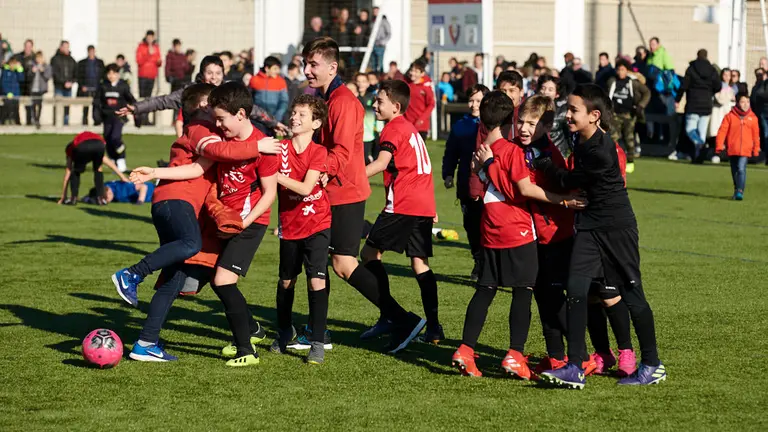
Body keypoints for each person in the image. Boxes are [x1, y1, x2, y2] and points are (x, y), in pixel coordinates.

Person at [128, 82, 279, 366]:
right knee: (208, 276)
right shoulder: (225, 143)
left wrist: (244, 222)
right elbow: (198, 167)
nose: (218, 125)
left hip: (249, 223)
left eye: (221, 119)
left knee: (223, 280)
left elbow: (270, 193)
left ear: (242, 115)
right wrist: (155, 173)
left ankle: (247, 351)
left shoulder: (265, 147)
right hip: (221, 220)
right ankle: (251, 330)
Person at [534, 84, 666, 388]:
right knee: (576, 288)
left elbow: (567, 179)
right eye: (567, 109)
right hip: (591, 227)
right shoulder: (581, 140)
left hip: (616, 228)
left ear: (594, 116)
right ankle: (575, 367)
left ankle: (653, 363)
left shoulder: (601, 151)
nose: (567, 115)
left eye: (573, 110)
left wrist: (542, 162)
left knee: (632, 295)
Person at [302, 37, 424, 350]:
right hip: (335, 191)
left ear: (332, 67)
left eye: (313, 64)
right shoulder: (330, 98)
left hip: (345, 192)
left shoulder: (342, 101)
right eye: (305, 64)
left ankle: (401, 319)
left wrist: (310, 172)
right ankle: (318, 330)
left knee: (341, 263)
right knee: (321, 259)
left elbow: (341, 154)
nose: (306, 70)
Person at [450, 92, 581, 378]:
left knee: (536, 295)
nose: (524, 128)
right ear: (511, 119)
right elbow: (518, 191)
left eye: (531, 123)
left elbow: (557, 181)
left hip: (547, 232)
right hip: (520, 231)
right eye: (521, 121)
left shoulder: (498, 148)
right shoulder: (509, 150)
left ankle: (566, 356)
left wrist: (566, 201)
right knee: (527, 292)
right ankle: (520, 354)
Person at [364, 79, 438, 346]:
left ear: (395, 106)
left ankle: (393, 318)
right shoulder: (410, 128)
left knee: (369, 254)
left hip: (404, 204)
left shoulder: (393, 128)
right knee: (420, 264)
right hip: (422, 204)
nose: (374, 104)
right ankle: (434, 327)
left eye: (379, 101)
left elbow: (382, 162)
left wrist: (350, 178)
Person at [270, 94, 332, 364]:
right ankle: (285, 331)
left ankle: (317, 341)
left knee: (316, 279)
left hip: (317, 221)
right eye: (293, 113)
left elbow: (307, 188)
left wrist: (276, 176)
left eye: (302, 114)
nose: (294, 118)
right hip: (289, 225)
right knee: (286, 281)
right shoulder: (279, 148)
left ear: (316, 123)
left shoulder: (319, 151)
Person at [116, 55, 286, 136]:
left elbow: (251, 109)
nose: (214, 77)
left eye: (218, 73)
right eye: (210, 73)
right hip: (195, 139)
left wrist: (274, 122)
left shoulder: (228, 90)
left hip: (221, 140)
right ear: (202, 74)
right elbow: (163, 101)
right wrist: (137, 108)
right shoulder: (192, 91)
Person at [443, 84, 489, 280]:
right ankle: (478, 262)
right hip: (465, 181)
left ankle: (490, 264)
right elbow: (451, 152)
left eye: (478, 101)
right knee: (470, 225)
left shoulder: (493, 125)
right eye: (471, 100)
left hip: (488, 183)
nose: (473, 104)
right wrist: (447, 173)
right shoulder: (460, 125)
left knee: (487, 224)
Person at [58, 131, 129, 205]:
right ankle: (100, 199)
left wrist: (64, 196)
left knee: (76, 172)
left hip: (82, 146)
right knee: (98, 169)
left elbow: (68, 171)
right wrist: (122, 177)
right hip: (99, 144)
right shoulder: (84, 140)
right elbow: (109, 163)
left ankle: (73, 199)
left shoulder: (71, 148)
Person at [674, 49, 720, 162]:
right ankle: (699, 156)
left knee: (690, 129)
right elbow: (718, 86)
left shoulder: (691, 69)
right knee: (702, 132)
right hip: (707, 104)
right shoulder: (712, 70)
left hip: (693, 103)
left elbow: (683, 86)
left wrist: (678, 99)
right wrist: (710, 92)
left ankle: (699, 146)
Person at [608, 59, 650, 173]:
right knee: (613, 139)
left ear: (627, 71)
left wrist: (641, 106)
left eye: (623, 70)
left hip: (629, 115)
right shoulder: (612, 82)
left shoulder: (633, 83)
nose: (620, 72)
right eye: (619, 69)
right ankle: (612, 162)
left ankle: (630, 160)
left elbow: (646, 92)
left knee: (629, 139)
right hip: (615, 114)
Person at [716, 93, 760, 200]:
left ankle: (740, 191)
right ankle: (736, 188)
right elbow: (722, 131)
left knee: (741, 169)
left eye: (747, 102)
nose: (745, 104)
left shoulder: (753, 118)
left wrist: (756, 149)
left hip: (745, 150)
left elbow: (756, 135)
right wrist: (719, 145)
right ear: (737, 103)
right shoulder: (730, 116)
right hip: (732, 148)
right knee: (734, 170)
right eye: (743, 102)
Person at [93, 64, 136, 173]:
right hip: (107, 117)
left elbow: (131, 99)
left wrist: (136, 112)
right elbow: (97, 102)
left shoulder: (123, 86)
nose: (111, 76)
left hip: (119, 117)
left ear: (118, 74)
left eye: (113, 73)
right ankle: (113, 161)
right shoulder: (103, 86)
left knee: (115, 138)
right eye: (109, 73)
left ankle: (121, 160)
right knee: (107, 139)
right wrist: (96, 116)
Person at [249, 56, 289, 121]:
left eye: (278, 69)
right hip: (257, 119)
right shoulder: (254, 79)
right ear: (267, 68)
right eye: (275, 69)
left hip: (276, 119)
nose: (277, 71)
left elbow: (284, 101)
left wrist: (278, 116)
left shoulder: (281, 81)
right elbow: (249, 99)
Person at [709, 68, 736, 163]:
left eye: (729, 75)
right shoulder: (718, 86)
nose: (727, 77)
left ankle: (725, 154)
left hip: (726, 112)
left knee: (726, 134)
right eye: (725, 75)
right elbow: (718, 98)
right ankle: (716, 153)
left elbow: (733, 101)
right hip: (718, 112)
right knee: (716, 133)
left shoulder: (733, 88)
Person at [538, 74, 569, 156]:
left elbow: (569, 136)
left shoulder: (563, 112)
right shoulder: (532, 110)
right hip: (538, 154)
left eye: (550, 90)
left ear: (557, 94)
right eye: (543, 88)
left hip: (558, 154)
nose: (545, 92)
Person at [136, 30, 162, 125]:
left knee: (149, 98)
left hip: (151, 76)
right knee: (142, 98)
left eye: (152, 37)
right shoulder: (141, 47)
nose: (150, 39)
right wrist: (148, 54)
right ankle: (140, 118)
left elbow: (159, 62)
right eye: (148, 37)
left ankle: (146, 118)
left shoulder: (156, 47)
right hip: (143, 76)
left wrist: (158, 60)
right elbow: (139, 60)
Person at [404, 60, 435, 141]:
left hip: (421, 126)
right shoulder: (405, 84)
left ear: (422, 73)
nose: (412, 73)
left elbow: (431, 104)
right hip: (407, 123)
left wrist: (421, 120)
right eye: (411, 70)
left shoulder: (426, 87)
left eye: (416, 71)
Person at [76, 45, 105, 125]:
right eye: (90, 51)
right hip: (86, 88)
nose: (91, 53)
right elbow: (79, 76)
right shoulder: (82, 63)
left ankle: (96, 121)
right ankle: (85, 121)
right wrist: (82, 86)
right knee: (85, 106)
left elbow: (103, 75)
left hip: (96, 88)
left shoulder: (99, 63)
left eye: (93, 51)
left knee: (96, 105)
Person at [50, 40, 77, 126]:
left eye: (67, 47)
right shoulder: (55, 59)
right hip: (59, 87)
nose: (66, 49)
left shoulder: (72, 60)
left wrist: (71, 82)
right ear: (61, 47)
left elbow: (75, 73)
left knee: (66, 107)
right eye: (65, 47)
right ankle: (57, 124)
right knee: (57, 106)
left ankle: (65, 124)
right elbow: (55, 73)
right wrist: (63, 82)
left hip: (68, 88)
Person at [355, 72, 379, 163]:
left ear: (368, 83)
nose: (360, 84)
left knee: (368, 158)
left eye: (363, 81)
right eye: (358, 81)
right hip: (357, 133)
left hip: (369, 134)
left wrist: (379, 128)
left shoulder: (372, 97)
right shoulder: (353, 97)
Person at [12, 39, 35, 125]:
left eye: (29, 46)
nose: (27, 48)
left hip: (29, 86)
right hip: (19, 84)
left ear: (32, 47)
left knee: (28, 105)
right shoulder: (18, 56)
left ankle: (29, 122)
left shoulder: (34, 58)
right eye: (26, 46)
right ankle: (17, 122)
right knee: (16, 104)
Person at [86, 180, 155, 204]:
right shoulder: (107, 185)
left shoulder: (121, 189)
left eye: (105, 199)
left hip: (153, 192)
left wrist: (140, 201)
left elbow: (143, 187)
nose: (106, 201)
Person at [29, 51, 51, 128]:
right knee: (33, 105)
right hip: (33, 89)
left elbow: (48, 77)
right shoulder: (32, 65)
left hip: (41, 90)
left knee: (39, 105)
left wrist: (42, 71)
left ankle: (38, 119)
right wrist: (32, 72)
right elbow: (28, 77)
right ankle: (34, 119)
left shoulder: (46, 66)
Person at [0, 56, 24, 124]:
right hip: (7, 95)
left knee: (16, 109)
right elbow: (3, 83)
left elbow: (21, 80)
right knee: (6, 109)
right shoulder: (5, 72)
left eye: (14, 64)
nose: (13, 65)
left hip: (16, 94)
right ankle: (3, 122)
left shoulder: (17, 72)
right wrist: (7, 92)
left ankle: (17, 123)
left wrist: (20, 70)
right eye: (12, 63)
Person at [371, 7, 391, 73]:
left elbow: (389, 33)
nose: (375, 13)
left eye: (377, 11)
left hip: (380, 46)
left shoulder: (384, 21)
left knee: (380, 64)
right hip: (372, 45)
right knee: (373, 64)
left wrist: (382, 42)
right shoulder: (372, 21)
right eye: (374, 11)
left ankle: (381, 77)